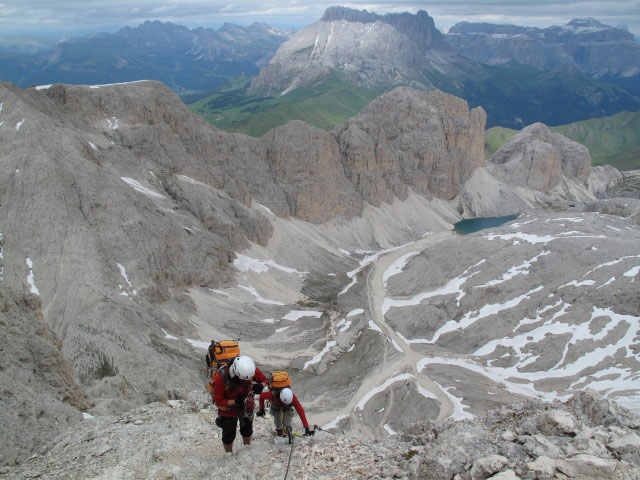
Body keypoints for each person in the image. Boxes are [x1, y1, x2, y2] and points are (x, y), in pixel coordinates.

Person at [212, 355, 268, 453]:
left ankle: (247, 448)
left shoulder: (249, 370)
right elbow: (218, 401)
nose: (244, 381)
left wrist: (261, 385)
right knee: (228, 434)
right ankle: (228, 454)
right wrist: (235, 401)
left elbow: (264, 379)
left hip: (247, 405)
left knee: (247, 429)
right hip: (228, 409)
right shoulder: (221, 378)